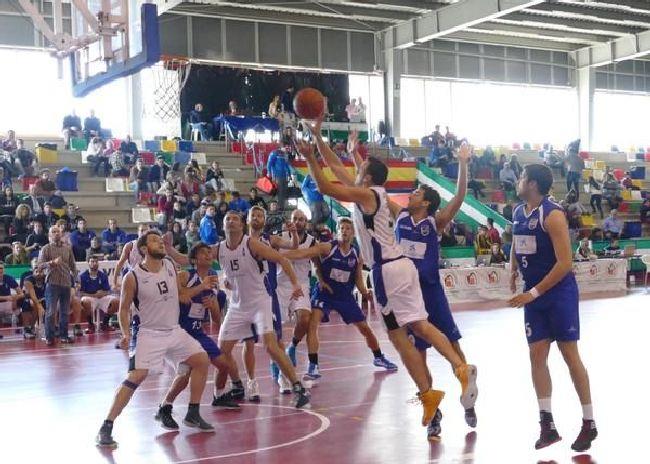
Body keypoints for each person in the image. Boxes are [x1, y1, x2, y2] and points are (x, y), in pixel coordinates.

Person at [297, 117, 477, 431]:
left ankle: (432, 390)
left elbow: (326, 185)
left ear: (367, 174)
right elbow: (338, 168)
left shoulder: (371, 196)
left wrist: (310, 157)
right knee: (419, 328)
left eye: (360, 166)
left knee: (399, 336)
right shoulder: (384, 201)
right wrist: (317, 137)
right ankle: (453, 375)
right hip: (403, 269)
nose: (354, 169)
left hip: (389, 272)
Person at [166, 211, 311, 407]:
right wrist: (168, 248)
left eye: (235, 218)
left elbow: (283, 260)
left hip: (260, 302)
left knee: (271, 346)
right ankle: (224, 392)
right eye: (227, 219)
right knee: (221, 352)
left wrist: (295, 284)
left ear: (242, 225)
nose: (231, 221)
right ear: (223, 226)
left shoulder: (251, 244)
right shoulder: (217, 249)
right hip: (236, 306)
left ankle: (298, 387)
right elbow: (187, 259)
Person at [96, 231, 215, 448]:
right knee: (136, 376)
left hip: (174, 330)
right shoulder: (132, 277)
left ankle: (192, 411)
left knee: (201, 360)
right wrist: (125, 334)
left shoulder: (169, 265)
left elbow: (181, 295)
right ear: (143, 249)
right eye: (154, 241)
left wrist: (201, 287)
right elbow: (123, 310)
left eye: (160, 240)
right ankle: (106, 425)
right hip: (148, 333)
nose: (160, 242)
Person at [509, 164, 597, 452]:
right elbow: (516, 241)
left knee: (570, 355)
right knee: (536, 355)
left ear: (532, 184)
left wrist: (532, 292)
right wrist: (512, 270)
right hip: (533, 297)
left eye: (521, 177)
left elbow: (565, 263)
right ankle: (547, 424)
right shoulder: (518, 212)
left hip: (558, 294)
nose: (518, 181)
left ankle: (589, 422)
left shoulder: (553, 215)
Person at [394, 146, 479, 439]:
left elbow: (458, 199)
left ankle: (467, 394)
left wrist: (463, 163)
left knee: (453, 347)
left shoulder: (434, 222)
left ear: (427, 203)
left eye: (417, 192)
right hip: (406, 295)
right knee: (418, 356)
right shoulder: (400, 216)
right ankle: (432, 411)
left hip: (430, 293)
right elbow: (375, 199)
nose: (412, 194)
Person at [283, 217, 398, 382]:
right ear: (337, 231)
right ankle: (313, 365)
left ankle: (378, 357)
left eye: (347, 229)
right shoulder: (328, 247)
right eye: (341, 228)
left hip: (344, 296)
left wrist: (365, 292)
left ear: (352, 233)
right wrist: (278, 255)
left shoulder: (356, 253)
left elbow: (358, 277)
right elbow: (304, 253)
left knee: (365, 328)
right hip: (325, 293)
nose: (344, 231)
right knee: (312, 324)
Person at [156, 242, 241, 422]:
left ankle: (218, 396)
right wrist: (199, 288)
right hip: (179, 333)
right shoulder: (184, 275)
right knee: (185, 374)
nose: (209, 256)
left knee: (224, 364)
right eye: (204, 253)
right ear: (194, 259)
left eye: (210, 253)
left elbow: (217, 319)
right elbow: (178, 296)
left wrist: (213, 307)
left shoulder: (212, 279)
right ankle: (165, 406)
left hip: (198, 333)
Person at [276, 210, 317, 369]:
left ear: (306, 222)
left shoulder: (312, 241)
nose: (298, 222)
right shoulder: (280, 238)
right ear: (290, 221)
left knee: (304, 319)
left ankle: (292, 346)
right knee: (276, 327)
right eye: (295, 219)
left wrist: (321, 279)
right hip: (281, 284)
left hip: (301, 284)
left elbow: (316, 262)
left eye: (301, 219)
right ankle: (276, 360)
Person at [37, 225, 77, 346]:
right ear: (49, 235)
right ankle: (49, 337)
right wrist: (51, 263)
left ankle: (64, 335)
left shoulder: (67, 248)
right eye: (53, 232)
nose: (56, 234)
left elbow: (73, 265)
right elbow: (39, 266)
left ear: (61, 234)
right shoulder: (46, 249)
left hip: (66, 283)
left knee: (65, 312)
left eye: (58, 231)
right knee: (51, 312)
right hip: (52, 284)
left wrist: (75, 280)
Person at [78, 256, 119, 334]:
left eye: (96, 262)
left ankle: (105, 324)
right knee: (85, 301)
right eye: (92, 261)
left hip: (102, 297)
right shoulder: (83, 276)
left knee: (116, 301)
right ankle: (90, 325)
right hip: (90, 297)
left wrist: (102, 293)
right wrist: (94, 295)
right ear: (88, 263)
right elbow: (81, 293)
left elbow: (107, 291)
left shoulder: (103, 275)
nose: (94, 263)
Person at [112, 223, 151, 291]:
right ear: (138, 232)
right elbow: (119, 264)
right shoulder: (130, 246)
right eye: (142, 230)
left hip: (148, 277)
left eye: (146, 231)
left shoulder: (153, 247)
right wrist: (114, 283)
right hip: (133, 276)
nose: (144, 233)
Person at [21, 258, 46, 339]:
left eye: (40, 270)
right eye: (36, 270)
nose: (39, 273)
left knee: (52, 303)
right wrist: (38, 304)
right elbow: (29, 293)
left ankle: (52, 328)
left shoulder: (47, 278)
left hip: (44, 299)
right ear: (33, 270)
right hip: (31, 298)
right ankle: (27, 329)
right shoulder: (28, 278)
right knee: (27, 303)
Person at [267, 145, 291, 211]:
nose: (287, 150)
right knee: (279, 192)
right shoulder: (274, 153)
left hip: (284, 176)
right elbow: (269, 163)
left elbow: (286, 165)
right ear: (281, 147)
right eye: (286, 148)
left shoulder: (285, 155)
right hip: (277, 176)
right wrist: (269, 173)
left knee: (283, 192)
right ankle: (278, 208)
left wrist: (289, 175)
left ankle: (282, 207)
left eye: (288, 149)